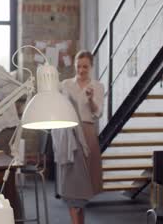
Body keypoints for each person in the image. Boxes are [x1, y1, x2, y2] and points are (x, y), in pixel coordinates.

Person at [52, 50, 104, 224]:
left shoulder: (97, 86)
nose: (81, 70)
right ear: (74, 65)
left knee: (83, 190)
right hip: (68, 136)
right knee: (73, 188)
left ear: (91, 67)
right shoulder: (65, 85)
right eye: (79, 66)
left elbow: (98, 113)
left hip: (87, 134)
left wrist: (90, 99)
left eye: (85, 67)